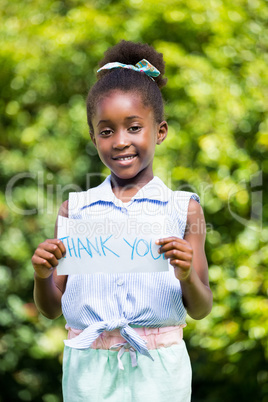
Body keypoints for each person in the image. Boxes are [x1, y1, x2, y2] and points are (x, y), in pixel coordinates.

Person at [32, 40, 213, 401]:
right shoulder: (76, 210)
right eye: (106, 131)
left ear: (159, 131)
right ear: (93, 137)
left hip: (160, 372)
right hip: (89, 372)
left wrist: (185, 273)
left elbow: (202, 307)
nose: (120, 142)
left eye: (134, 127)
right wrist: (41, 276)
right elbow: (52, 307)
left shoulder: (182, 209)